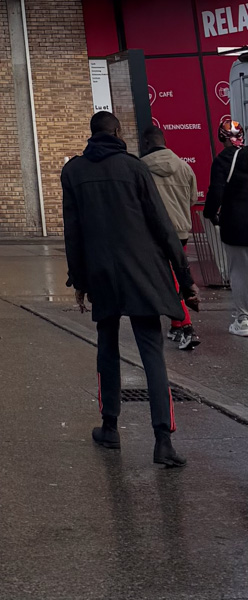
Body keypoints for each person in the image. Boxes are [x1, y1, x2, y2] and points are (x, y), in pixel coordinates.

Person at [62, 108, 197, 468]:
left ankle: (110, 428)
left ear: (90, 135)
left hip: (102, 272)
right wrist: (185, 281)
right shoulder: (135, 168)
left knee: (106, 349)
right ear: (118, 132)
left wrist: (78, 280)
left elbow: (72, 233)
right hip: (143, 271)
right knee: (151, 352)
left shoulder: (74, 171)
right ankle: (163, 440)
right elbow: (163, 227)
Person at [140, 125, 200, 350]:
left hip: (153, 234)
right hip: (181, 232)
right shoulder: (184, 167)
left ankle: (185, 325)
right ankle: (177, 324)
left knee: (169, 280)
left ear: (146, 143)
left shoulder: (141, 169)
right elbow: (192, 199)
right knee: (177, 275)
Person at [204, 115, 248, 338]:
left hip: (236, 224)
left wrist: (210, 214)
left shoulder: (222, 160)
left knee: (239, 271)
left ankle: (243, 319)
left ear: (222, 138)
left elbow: (216, 192)